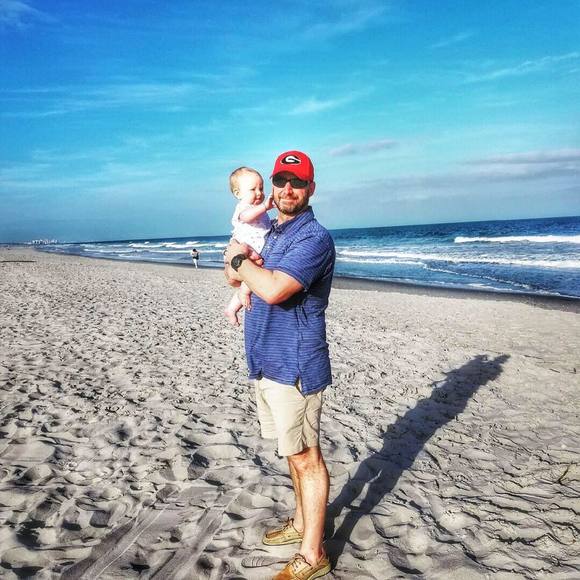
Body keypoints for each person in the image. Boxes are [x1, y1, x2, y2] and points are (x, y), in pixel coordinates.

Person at [225, 151, 335, 580]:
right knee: (291, 451)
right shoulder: (269, 232)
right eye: (281, 181)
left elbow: (271, 289)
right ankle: (302, 523)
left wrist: (238, 259)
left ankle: (313, 554)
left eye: (298, 182)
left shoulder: (314, 239)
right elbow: (232, 277)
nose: (288, 189)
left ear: (311, 189)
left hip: (295, 366)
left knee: (307, 457)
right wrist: (237, 263)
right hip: (265, 358)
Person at [224, 167, 274, 326]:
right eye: (253, 189)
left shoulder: (256, 208)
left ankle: (231, 308)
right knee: (251, 276)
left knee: (251, 276)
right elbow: (246, 217)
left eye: (261, 188)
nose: (259, 193)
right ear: (238, 193)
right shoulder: (244, 207)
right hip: (247, 247)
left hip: (254, 249)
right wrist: (265, 207)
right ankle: (243, 295)